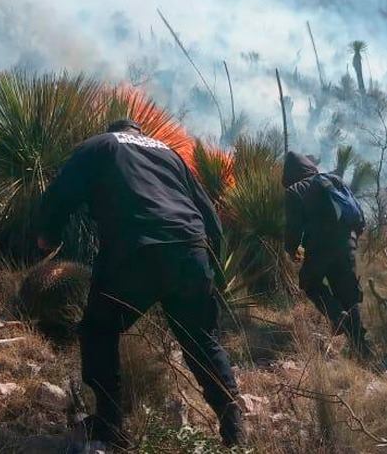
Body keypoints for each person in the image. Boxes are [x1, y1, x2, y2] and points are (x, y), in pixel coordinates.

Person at [36, 119, 244, 448]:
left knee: (99, 330)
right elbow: (209, 214)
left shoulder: (100, 144)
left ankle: (110, 425)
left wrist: (49, 232)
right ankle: (233, 421)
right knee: (201, 338)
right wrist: (212, 266)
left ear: (115, 130)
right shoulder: (171, 155)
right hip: (191, 251)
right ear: (140, 134)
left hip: (135, 249)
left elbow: (63, 190)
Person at [282, 151, 373, 359]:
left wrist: (292, 250)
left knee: (309, 282)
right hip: (347, 242)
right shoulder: (334, 180)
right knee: (348, 294)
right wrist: (351, 240)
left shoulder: (295, 190)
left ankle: (335, 314)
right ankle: (362, 350)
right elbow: (357, 213)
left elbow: (293, 230)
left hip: (320, 246)